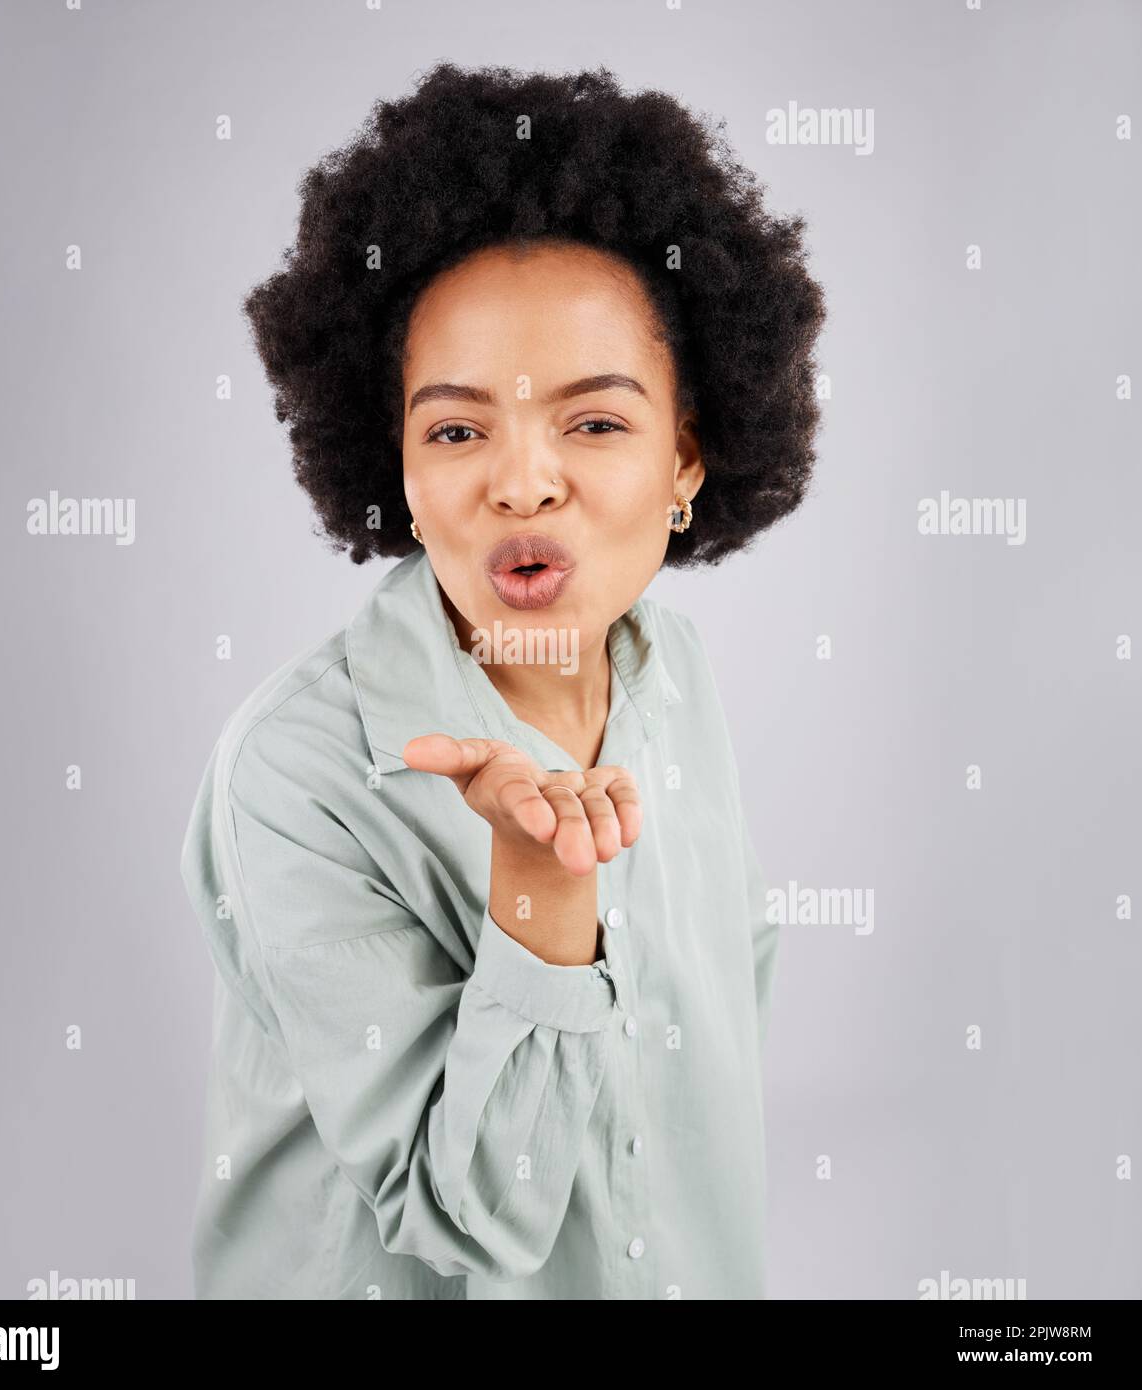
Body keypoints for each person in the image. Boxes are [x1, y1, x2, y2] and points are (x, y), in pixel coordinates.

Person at [180, 61, 826, 1299]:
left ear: (687, 458)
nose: (521, 484)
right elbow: (467, 1222)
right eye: (458, 429)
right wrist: (536, 902)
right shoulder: (298, 772)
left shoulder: (671, 674)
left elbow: (712, 1069)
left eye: (593, 422)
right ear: (400, 472)